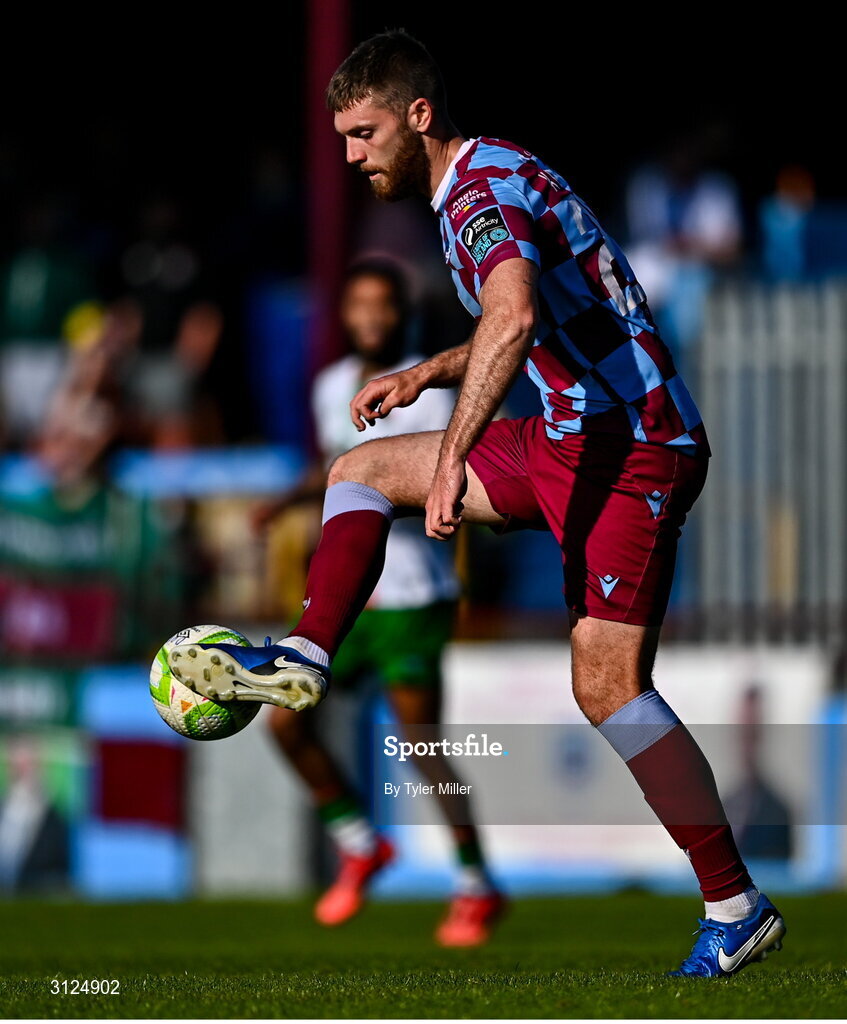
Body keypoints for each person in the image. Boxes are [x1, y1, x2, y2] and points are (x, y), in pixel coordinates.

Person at [167, 30, 786, 977]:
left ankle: (733, 904)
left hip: (633, 450)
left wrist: (454, 453)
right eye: (341, 138)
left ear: (418, 116)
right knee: (360, 471)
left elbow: (516, 314)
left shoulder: (481, 191)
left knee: (609, 686)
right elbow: (542, 314)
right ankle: (304, 654)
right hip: (575, 439)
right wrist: (427, 371)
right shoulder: (486, 181)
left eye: (363, 133)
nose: (350, 156)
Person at [258, 259, 503, 945]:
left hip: (412, 597)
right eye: (357, 304)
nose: (370, 317)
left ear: (402, 313)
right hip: (346, 602)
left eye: (382, 305)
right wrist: (286, 500)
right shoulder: (332, 385)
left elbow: (443, 479)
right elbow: (340, 467)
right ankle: (361, 843)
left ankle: (476, 884)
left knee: (421, 745)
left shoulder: (436, 388)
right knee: (283, 722)